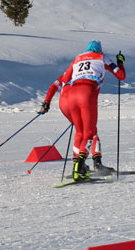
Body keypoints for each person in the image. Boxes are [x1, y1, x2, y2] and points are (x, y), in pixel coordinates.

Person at [38, 40, 126, 180]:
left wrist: (47, 101)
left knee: (81, 132)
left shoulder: (78, 58)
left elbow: (65, 78)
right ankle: (82, 165)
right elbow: (121, 76)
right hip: (87, 94)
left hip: (71, 95)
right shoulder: (102, 56)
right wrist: (120, 61)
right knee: (90, 132)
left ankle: (77, 166)